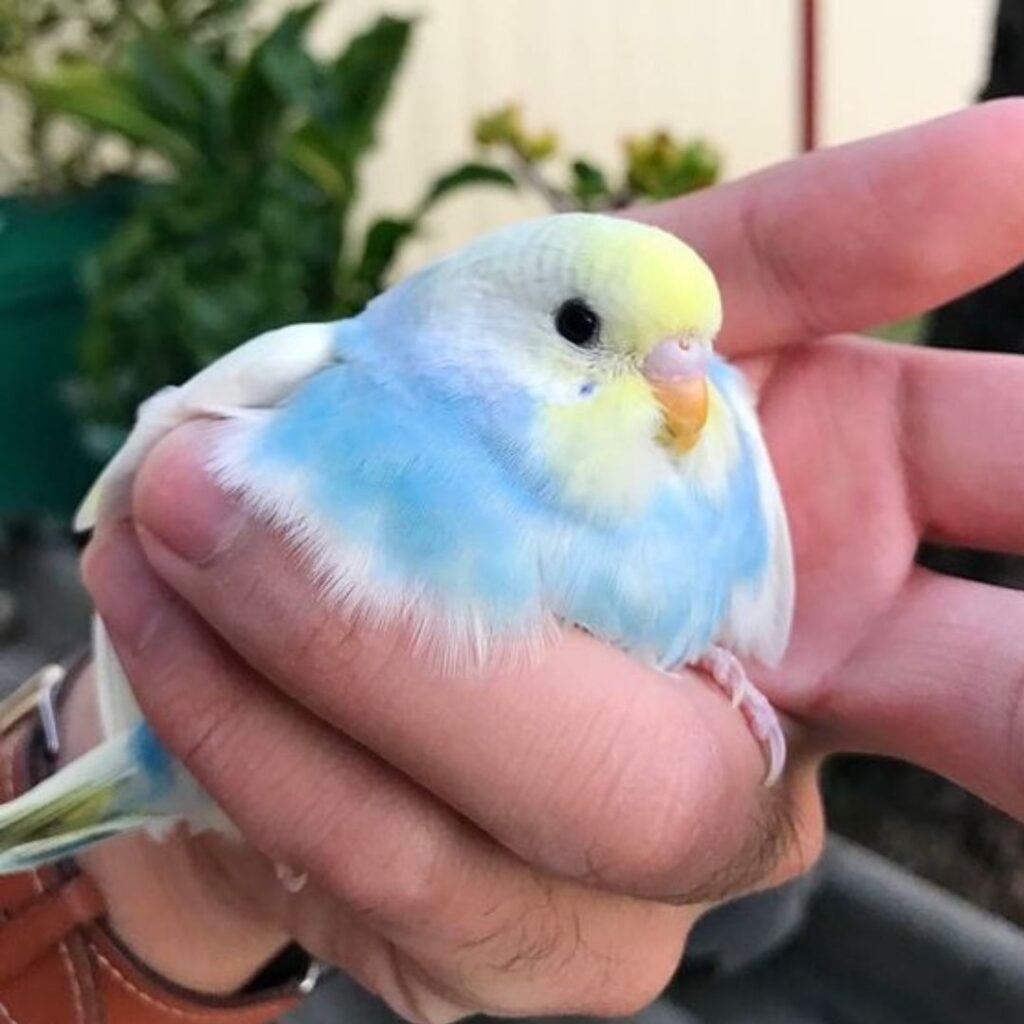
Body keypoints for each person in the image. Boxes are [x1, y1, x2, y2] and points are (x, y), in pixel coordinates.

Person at [5, 100, 1024, 1023]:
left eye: (694, 349)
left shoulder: (723, 437)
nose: (687, 382)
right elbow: (137, 526)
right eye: (585, 330)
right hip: (150, 746)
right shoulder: (315, 383)